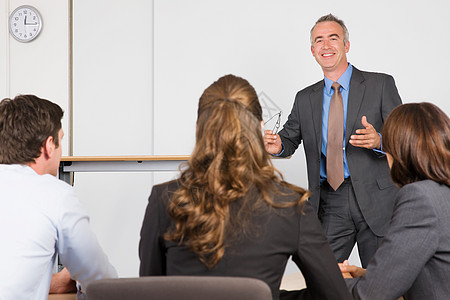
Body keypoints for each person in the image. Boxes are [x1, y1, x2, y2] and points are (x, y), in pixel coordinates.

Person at [139, 74, 352, 300]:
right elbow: (335, 297)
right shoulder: (290, 206)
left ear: (199, 128)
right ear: (260, 128)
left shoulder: (164, 199)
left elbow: (149, 293)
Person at [264, 14, 402, 267]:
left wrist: (380, 140)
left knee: (388, 279)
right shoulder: (304, 98)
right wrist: (277, 146)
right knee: (324, 277)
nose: (326, 45)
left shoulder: (380, 84)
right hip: (330, 201)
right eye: (319, 40)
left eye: (333, 38)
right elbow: (289, 139)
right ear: (312, 50)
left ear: (346, 45)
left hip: (378, 200)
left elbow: (405, 137)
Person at [0, 95, 117, 300]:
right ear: (49, 145)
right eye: (60, 141)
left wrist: (52, 283)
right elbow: (102, 282)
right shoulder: (54, 194)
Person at [339, 102, 450, 300]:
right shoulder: (441, 193)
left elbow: (371, 294)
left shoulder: (419, 198)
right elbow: (435, 272)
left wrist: (336, 281)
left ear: (397, 152)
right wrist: (364, 274)